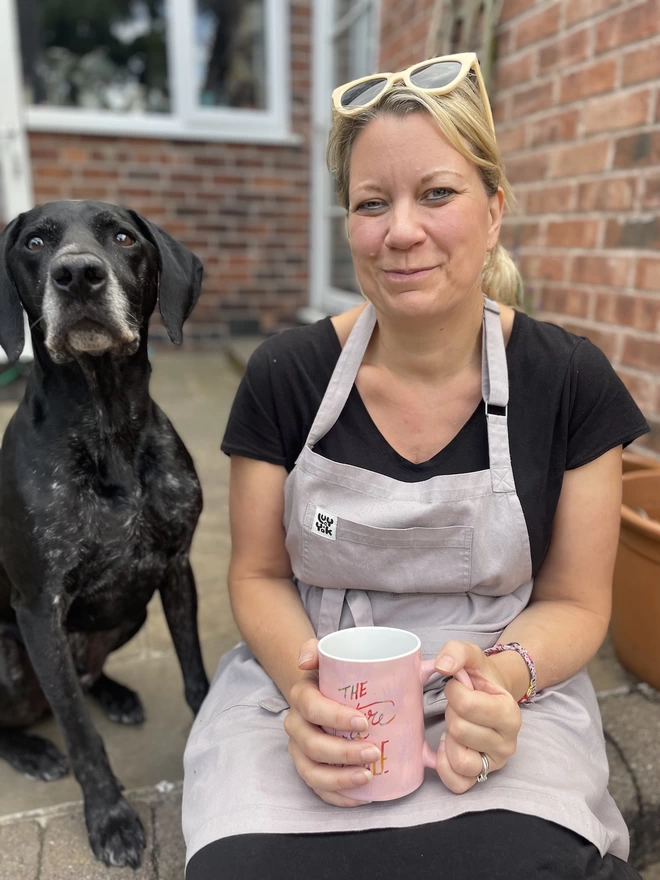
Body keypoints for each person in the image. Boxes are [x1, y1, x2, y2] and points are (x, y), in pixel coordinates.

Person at [182, 53, 649, 879]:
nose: (401, 231)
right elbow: (256, 575)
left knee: (522, 860)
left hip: (503, 682)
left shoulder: (570, 382)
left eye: (437, 193)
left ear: (495, 210)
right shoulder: (286, 376)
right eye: (372, 203)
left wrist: (500, 684)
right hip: (313, 675)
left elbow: (578, 600)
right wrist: (309, 699)